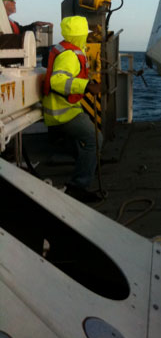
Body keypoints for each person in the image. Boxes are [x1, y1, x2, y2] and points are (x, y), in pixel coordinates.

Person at [42, 15, 102, 203]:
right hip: (63, 112)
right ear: (80, 34)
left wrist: (86, 82)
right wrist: (86, 87)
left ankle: (84, 167)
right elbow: (57, 81)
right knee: (94, 139)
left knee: (83, 142)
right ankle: (78, 186)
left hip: (67, 107)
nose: (87, 35)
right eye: (85, 33)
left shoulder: (69, 49)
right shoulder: (69, 55)